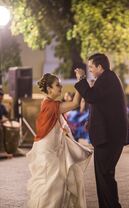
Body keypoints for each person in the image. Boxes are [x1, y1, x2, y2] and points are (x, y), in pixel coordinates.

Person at [74, 53, 129, 208]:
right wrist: (90, 120)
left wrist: (81, 79)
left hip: (109, 138)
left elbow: (91, 96)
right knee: (104, 175)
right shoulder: (106, 79)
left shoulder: (107, 79)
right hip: (108, 136)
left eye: (92, 67)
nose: (90, 70)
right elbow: (101, 103)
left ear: (100, 66)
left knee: (104, 174)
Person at [27, 73, 92, 208]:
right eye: (57, 85)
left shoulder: (49, 103)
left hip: (51, 148)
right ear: (49, 89)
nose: (61, 87)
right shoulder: (51, 105)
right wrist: (80, 80)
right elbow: (75, 103)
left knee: (56, 183)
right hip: (49, 150)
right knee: (53, 184)